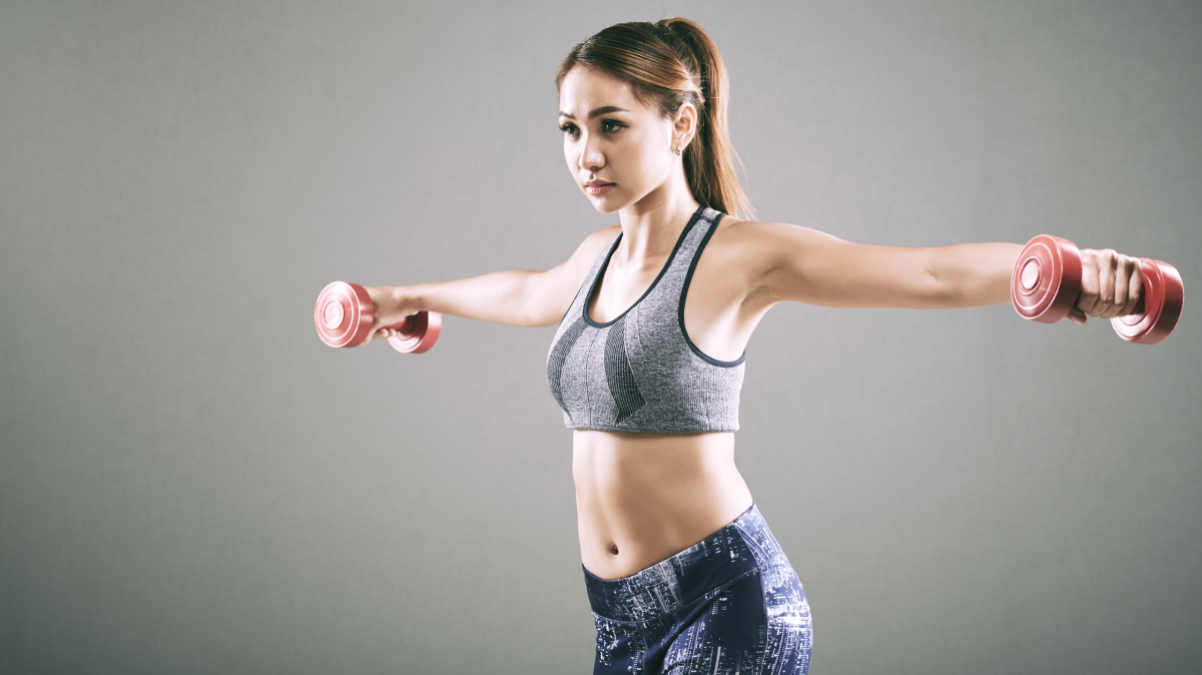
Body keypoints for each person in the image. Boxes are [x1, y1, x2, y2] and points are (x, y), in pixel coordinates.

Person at [358, 18, 1143, 675]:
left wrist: (1068, 270)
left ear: (681, 123)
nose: (585, 153)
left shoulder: (736, 256)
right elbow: (525, 292)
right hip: (617, 619)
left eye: (611, 124)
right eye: (570, 128)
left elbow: (928, 272)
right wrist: (408, 299)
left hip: (727, 603)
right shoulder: (594, 258)